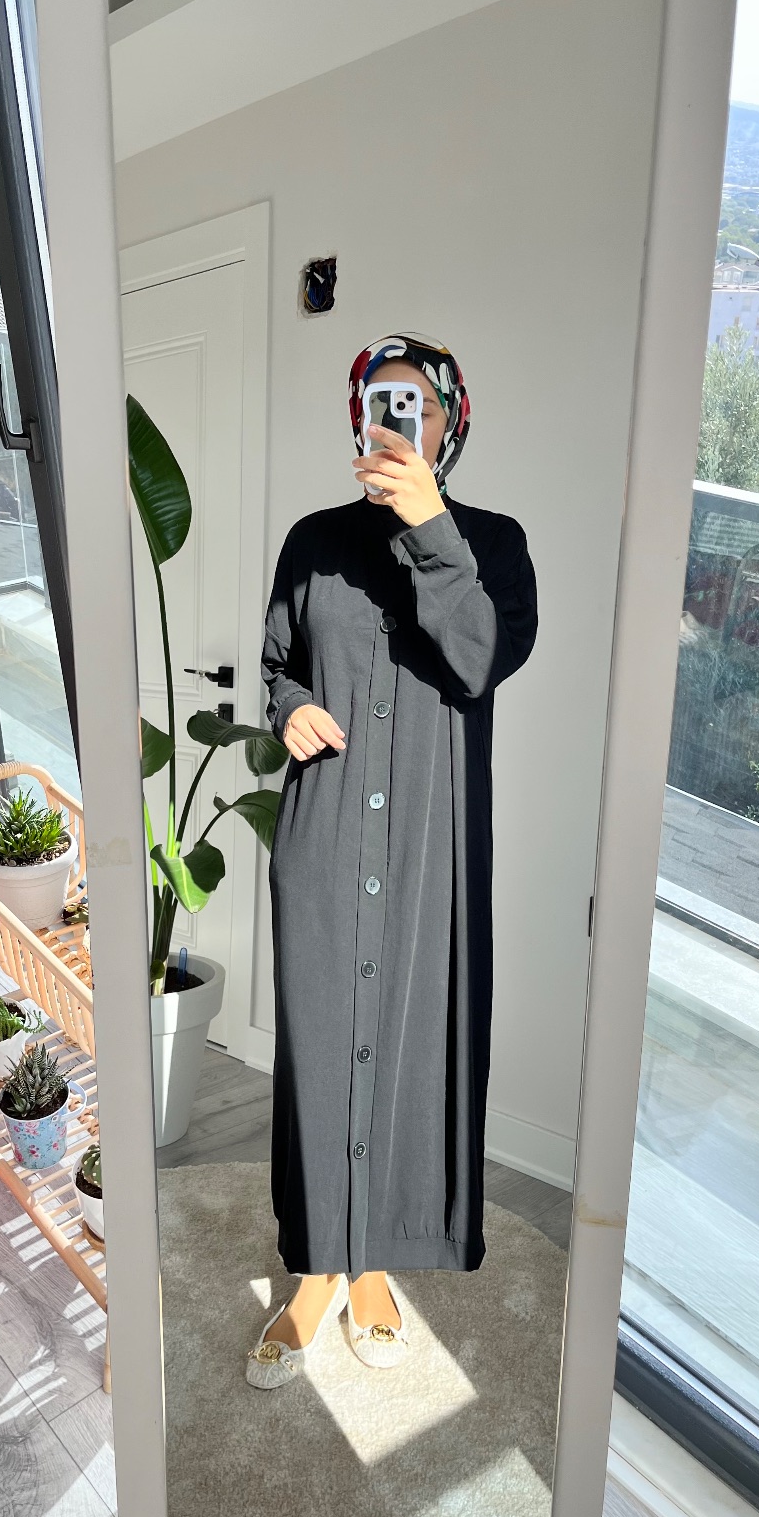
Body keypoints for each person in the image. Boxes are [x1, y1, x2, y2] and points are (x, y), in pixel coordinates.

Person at [246, 332, 538, 1389]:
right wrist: (290, 709)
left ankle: (374, 1266)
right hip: (325, 841)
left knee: (413, 1053)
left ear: (451, 420)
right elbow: (279, 663)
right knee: (320, 1058)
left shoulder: (492, 545)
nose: (398, 420)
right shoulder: (312, 540)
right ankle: (318, 1269)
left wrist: (431, 529)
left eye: (419, 404)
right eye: (382, 402)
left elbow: (480, 656)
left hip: (429, 847)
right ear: (358, 416)